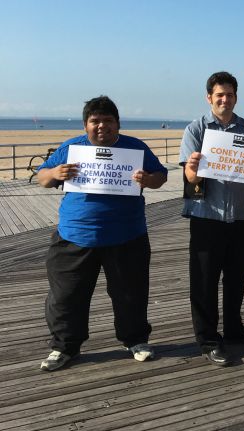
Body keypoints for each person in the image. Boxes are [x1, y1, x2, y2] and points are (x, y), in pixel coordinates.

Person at [37, 96, 168, 371]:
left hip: (126, 235)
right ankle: (64, 347)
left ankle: (135, 340)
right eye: (95, 121)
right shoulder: (72, 147)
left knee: (131, 294)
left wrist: (149, 179)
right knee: (66, 297)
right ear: (86, 125)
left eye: (108, 121)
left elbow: (160, 176)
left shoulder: (135, 147)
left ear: (117, 124)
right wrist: (56, 173)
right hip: (75, 234)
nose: (101, 126)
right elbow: (42, 177)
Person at [180, 71, 244, 367]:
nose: (225, 100)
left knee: (237, 279)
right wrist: (193, 167)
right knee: (204, 282)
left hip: (241, 217)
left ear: (236, 97)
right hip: (207, 218)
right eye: (219, 95)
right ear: (209, 98)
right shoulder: (196, 129)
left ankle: (235, 328)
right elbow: (189, 177)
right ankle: (209, 339)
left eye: (230, 95)